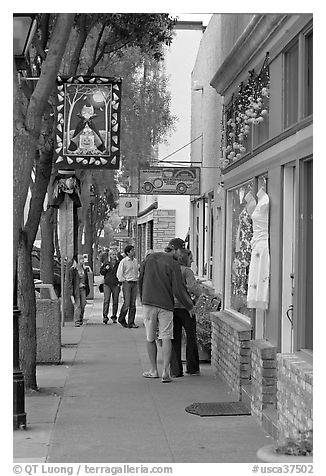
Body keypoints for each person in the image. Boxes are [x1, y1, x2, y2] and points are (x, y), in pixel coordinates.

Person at [139, 238, 193, 383]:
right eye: (182, 251)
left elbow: (141, 279)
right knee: (166, 336)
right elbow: (178, 290)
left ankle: (153, 370)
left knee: (150, 337)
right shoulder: (174, 264)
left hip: (148, 302)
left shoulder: (149, 259)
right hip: (166, 305)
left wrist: (142, 298)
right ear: (175, 250)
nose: (182, 255)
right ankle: (165, 372)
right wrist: (190, 306)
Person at [171, 249, 204, 377]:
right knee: (191, 337)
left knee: (175, 338)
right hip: (186, 308)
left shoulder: (172, 269)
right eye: (191, 258)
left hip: (172, 307)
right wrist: (200, 292)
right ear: (185, 258)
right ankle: (192, 368)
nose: (193, 260)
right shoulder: (187, 271)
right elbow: (192, 287)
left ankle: (175, 370)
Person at [116, 244, 139, 328]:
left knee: (133, 304)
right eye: (132, 250)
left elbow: (137, 271)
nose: (134, 251)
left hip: (134, 282)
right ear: (128, 252)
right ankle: (121, 318)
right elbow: (119, 273)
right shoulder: (124, 261)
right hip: (127, 283)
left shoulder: (135, 261)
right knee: (127, 302)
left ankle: (131, 322)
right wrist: (123, 280)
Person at [68, 254, 90, 327]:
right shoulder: (73, 270)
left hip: (83, 289)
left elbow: (86, 280)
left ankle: (80, 318)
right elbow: (70, 281)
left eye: (83, 259)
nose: (82, 260)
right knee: (78, 305)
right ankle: (76, 320)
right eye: (80, 259)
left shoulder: (84, 269)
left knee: (83, 304)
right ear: (77, 260)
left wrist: (87, 287)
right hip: (76, 290)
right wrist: (71, 292)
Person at [100, 249, 121, 324]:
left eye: (115, 254)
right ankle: (105, 316)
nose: (114, 256)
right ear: (110, 255)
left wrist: (120, 282)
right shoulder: (106, 263)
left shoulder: (119, 263)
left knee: (115, 301)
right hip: (107, 284)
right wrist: (105, 269)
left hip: (116, 284)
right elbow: (101, 272)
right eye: (113, 254)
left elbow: (121, 272)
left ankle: (114, 316)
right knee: (106, 300)